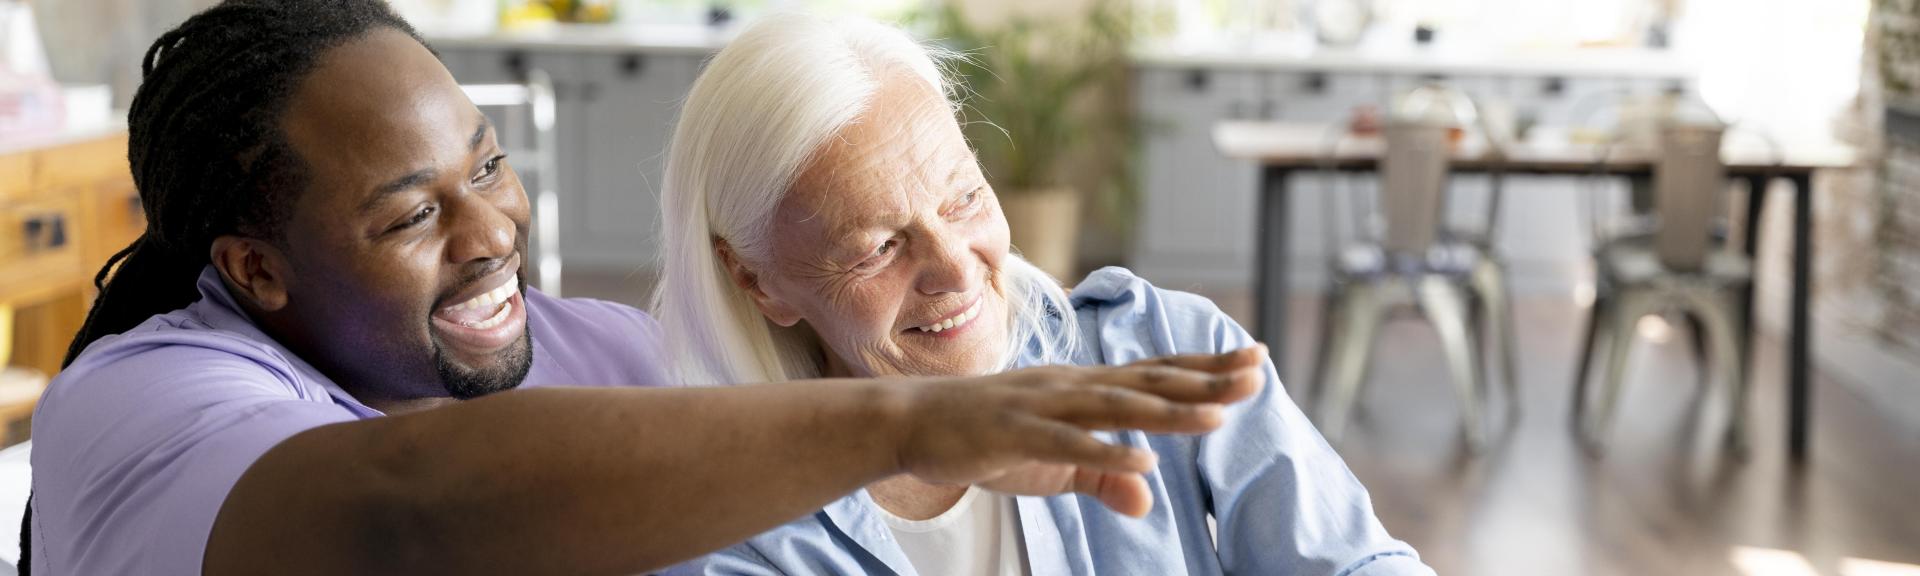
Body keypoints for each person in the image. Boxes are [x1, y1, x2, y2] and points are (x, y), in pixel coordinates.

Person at [23, 2, 1270, 574]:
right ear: (253, 269)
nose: (489, 232)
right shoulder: (143, 403)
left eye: (490, 169)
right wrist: (914, 420)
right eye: (411, 212)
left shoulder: (607, 356)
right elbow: (404, 517)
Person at [652, 14, 1435, 576]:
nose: (958, 270)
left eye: (962, 199)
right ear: (755, 279)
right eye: (880, 247)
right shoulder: (729, 528)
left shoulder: (1163, 348)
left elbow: (1355, 562)